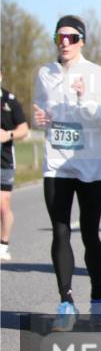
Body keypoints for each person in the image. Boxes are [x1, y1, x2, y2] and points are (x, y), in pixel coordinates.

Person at [33, 15, 101, 330]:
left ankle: (97, 297)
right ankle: (66, 302)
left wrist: (84, 98)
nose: (65, 42)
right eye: (60, 37)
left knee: (90, 233)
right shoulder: (44, 73)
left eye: (71, 37)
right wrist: (40, 118)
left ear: (82, 41)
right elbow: (40, 109)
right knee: (60, 231)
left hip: (91, 166)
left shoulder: (97, 74)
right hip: (57, 164)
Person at [0, 72, 29, 261]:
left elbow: (24, 129)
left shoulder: (10, 101)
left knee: (3, 204)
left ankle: (3, 243)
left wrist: (8, 135)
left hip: (4, 159)